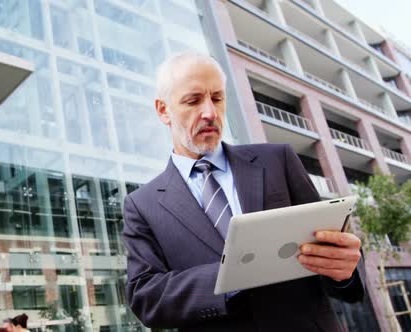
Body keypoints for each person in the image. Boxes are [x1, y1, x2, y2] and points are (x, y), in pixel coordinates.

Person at [122, 52, 365, 331]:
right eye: (193, 100)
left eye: (217, 98)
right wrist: (231, 275)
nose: (210, 113)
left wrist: (344, 272)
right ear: (163, 110)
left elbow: (335, 257)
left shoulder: (279, 160)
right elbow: (146, 297)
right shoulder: (142, 205)